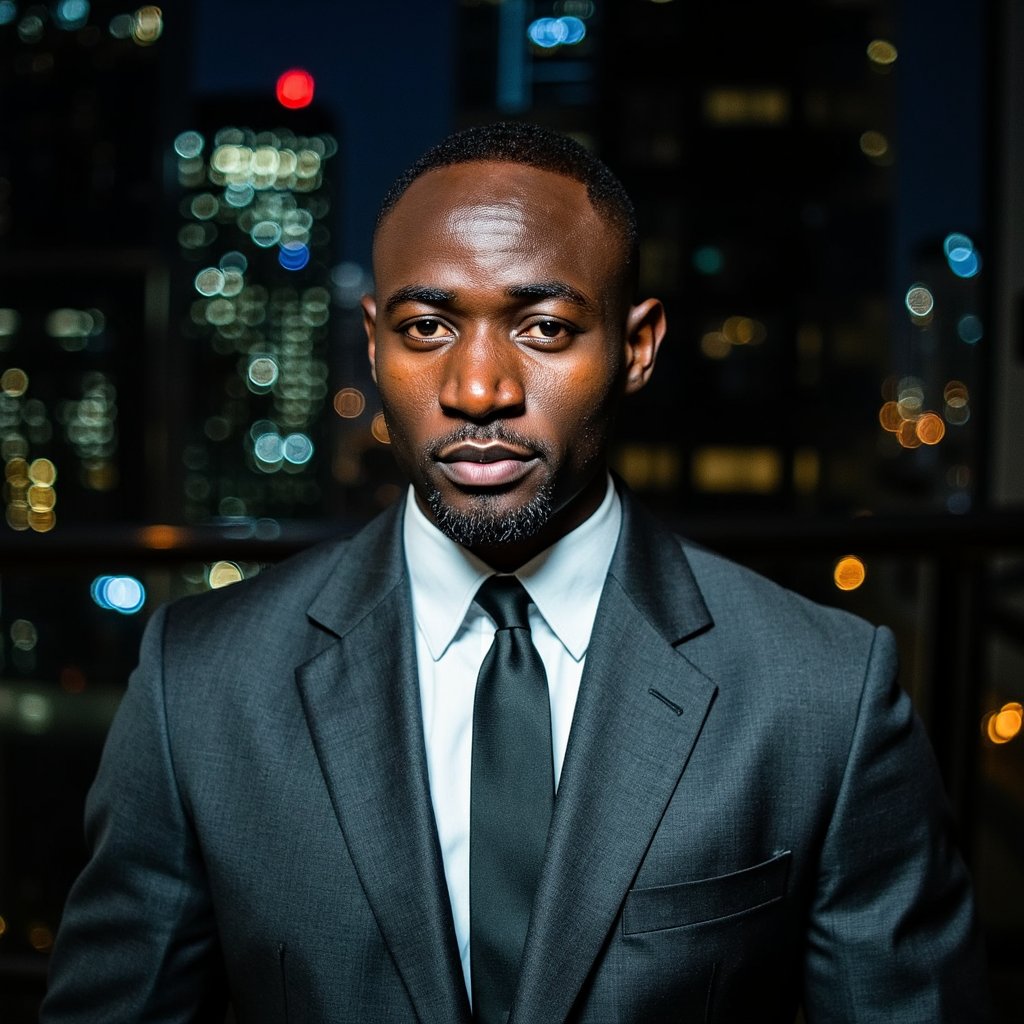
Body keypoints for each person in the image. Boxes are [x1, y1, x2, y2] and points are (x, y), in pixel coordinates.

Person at [43, 122, 988, 1022]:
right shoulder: (201, 685)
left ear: (638, 348)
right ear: (371, 342)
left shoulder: (822, 697)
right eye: (426, 328)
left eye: (542, 328)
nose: (477, 389)